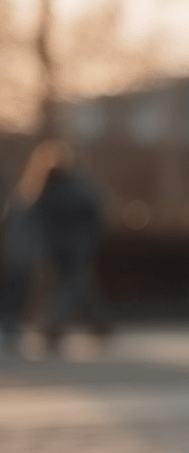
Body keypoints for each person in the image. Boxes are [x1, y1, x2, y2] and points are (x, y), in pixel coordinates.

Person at [0, 139, 112, 357]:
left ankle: (65, 326)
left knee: (73, 285)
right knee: (75, 284)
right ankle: (90, 326)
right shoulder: (79, 188)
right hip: (77, 247)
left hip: (56, 247)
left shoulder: (40, 188)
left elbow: (28, 217)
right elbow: (96, 216)